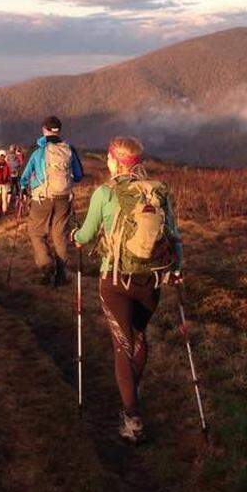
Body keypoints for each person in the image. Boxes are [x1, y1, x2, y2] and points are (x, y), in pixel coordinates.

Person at [72, 136, 182, 445]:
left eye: (108, 157)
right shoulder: (158, 192)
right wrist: (177, 269)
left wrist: (76, 237)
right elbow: (174, 235)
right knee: (138, 337)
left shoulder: (105, 193)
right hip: (151, 281)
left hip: (116, 280)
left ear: (114, 161)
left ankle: (132, 419)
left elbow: (87, 233)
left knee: (122, 344)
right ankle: (131, 394)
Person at [19, 115, 84, 285]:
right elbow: (78, 175)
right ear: (59, 130)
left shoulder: (37, 149)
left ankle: (47, 267)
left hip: (42, 198)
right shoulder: (69, 149)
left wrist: (23, 186)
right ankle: (62, 274)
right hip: (64, 197)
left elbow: (24, 175)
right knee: (59, 234)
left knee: (36, 232)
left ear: (44, 129)